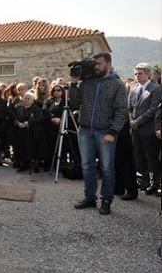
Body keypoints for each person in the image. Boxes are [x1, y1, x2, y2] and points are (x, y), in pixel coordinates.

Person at [69, 52, 128, 215]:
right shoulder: (88, 82)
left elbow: (122, 111)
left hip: (105, 132)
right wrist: (74, 83)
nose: (95, 67)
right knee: (87, 166)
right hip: (85, 130)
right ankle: (89, 198)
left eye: (99, 64)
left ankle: (106, 201)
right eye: (93, 64)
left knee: (107, 168)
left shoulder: (117, 84)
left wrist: (113, 131)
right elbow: (74, 102)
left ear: (108, 64)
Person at [128, 63, 161, 197]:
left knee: (151, 157)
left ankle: (156, 183)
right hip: (135, 129)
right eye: (135, 74)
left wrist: (138, 121)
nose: (137, 76)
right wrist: (131, 120)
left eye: (140, 73)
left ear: (148, 74)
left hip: (148, 129)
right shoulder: (133, 87)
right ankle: (144, 181)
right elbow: (129, 106)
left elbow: (153, 109)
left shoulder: (156, 89)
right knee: (139, 156)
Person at [15, 92, 46, 173]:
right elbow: (15, 119)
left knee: (34, 149)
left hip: (34, 132)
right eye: (25, 98)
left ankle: (35, 165)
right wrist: (18, 123)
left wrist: (28, 123)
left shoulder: (36, 109)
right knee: (22, 149)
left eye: (28, 98)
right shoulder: (19, 108)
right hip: (22, 132)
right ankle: (24, 164)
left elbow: (40, 119)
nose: (26, 100)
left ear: (32, 100)